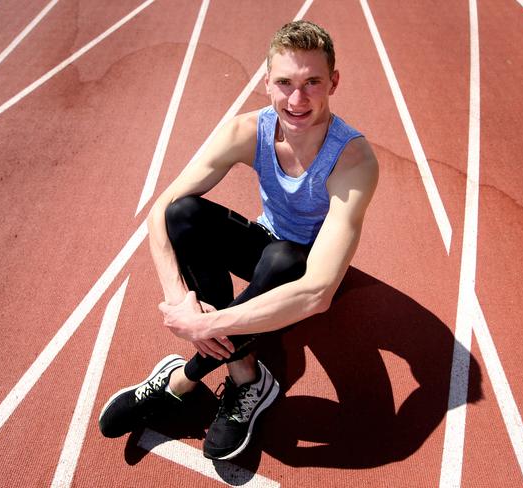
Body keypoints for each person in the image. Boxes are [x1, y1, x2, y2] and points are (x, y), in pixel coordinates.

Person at [98, 20, 379, 461]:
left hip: (308, 269)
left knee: (286, 260)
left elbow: (319, 292)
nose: (297, 99)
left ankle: (182, 381)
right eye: (284, 82)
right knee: (183, 213)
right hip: (263, 243)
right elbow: (161, 209)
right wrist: (181, 303)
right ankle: (247, 374)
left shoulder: (353, 160)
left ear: (333, 83)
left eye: (312, 83)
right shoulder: (249, 130)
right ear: (267, 82)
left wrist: (206, 328)